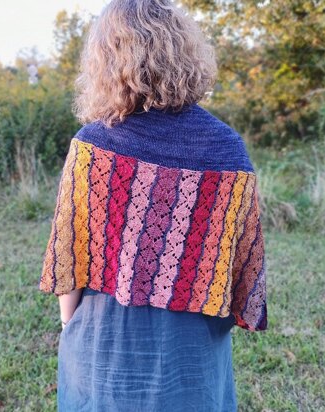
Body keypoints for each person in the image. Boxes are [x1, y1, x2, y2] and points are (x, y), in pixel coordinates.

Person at [38, 1, 267, 411]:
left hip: (105, 346)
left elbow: (69, 254)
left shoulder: (94, 145)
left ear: (107, 59)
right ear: (184, 51)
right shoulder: (226, 148)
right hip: (193, 352)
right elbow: (240, 269)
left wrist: (70, 325)